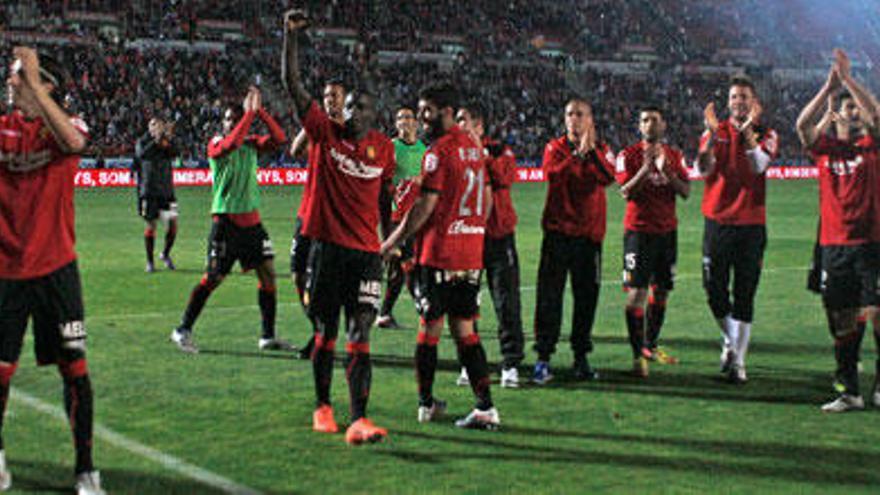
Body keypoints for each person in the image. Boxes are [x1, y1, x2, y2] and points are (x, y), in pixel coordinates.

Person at [284, 9, 394, 444]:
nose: (353, 113)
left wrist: (391, 240)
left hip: (366, 255)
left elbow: (384, 197)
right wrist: (290, 38)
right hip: (327, 249)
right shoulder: (324, 132)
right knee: (325, 331)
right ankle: (323, 407)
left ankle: (360, 418)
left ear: (373, 114)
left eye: (362, 108)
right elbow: (294, 87)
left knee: (361, 331)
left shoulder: (382, 149)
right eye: (349, 107)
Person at [0, 46, 105, 495]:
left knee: (75, 371)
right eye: (10, 75)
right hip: (5, 273)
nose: (10, 82)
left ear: (46, 86)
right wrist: (31, 76)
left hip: (57, 270)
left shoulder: (68, 126)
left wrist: (38, 83)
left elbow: (76, 144)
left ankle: (85, 470)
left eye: (20, 75)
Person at [382, 83, 501, 430]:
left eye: (428, 111)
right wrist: (473, 227)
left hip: (439, 254)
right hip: (470, 254)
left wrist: (392, 240)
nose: (422, 118)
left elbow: (424, 206)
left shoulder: (439, 151)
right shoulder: (475, 150)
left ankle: (426, 404)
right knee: (465, 330)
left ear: (448, 112)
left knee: (429, 329)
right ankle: (485, 407)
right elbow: (488, 201)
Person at [170, 86, 292, 353]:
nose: (232, 123)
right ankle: (182, 329)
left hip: (253, 225)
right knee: (213, 278)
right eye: (228, 119)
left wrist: (260, 113)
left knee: (269, 276)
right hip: (226, 225)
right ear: (222, 123)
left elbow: (280, 138)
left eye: (235, 119)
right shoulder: (216, 144)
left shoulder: (251, 144)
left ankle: (267, 335)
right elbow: (231, 143)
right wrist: (248, 116)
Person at [795, 49, 880, 412]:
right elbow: (802, 127)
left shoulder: (873, 146)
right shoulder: (826, 149)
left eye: (856, 110)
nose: (855, 115)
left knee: (877, 315)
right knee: (841, 319)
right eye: (848, 110)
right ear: (836, 116)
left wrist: (848, 81)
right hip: (833, 245)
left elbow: (876, 114)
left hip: (872, 243)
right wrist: (828, 88)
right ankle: (850, 390)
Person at [696, 75, 778, 384]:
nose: (738, 102)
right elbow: (702, 170)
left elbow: (759, 165)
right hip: (717, 222)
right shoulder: (715, 133)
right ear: (728, 102)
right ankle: (731, 341)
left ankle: (738, 362)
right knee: (714, 292)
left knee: (745, 295)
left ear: (754, 103)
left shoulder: (766, 133)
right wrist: (709, 140)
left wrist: (746, 134)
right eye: (733, 97)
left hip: (751, 225)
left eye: (744, 97)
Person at [532, 97, 616, 385]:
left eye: (580, 114)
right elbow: (553, 176)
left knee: (586, 301)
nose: (574, 119)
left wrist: (589, 154)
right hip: (557, 235)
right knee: (549, 298)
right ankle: (543, 358)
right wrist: (577, 157)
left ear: (590, 120)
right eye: (570, 114)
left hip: (588, 238)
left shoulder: (602, 150)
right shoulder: (554, 148)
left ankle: (581, 357)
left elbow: (608, 178)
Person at [615, 105, 690, 377]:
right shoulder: (628, 156)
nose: (649, 124)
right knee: (636, 294)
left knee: (661, 291)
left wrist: (667, 171)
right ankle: (638, 357)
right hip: (638, 234)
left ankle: (650, 345)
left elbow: (686, 191)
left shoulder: (675, 155)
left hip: (667, 234)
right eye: (644, 119)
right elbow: (625, 191)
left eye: (654, 120)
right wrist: (647, 168)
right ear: (639, 126)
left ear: (663, 125)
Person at [454, 102, 524, 388]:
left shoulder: (498, 150)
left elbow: (504, 177)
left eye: (464, 120)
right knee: (465, 304)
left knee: (506, 302)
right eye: (457, 120)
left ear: (479, 126)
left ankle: (510, 364)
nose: (459, 125)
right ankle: (469, 363)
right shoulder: (451, 153)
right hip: (466, 237)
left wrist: (480, 154)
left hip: (497, 237)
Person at [289, 79, 347, 359]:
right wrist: (311, 122)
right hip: (306, 214)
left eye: (335, 95)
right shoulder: (317, 127)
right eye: (326, 96)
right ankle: (318, 330)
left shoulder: (349, 130)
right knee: (298, 276)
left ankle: (324, 336)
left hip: (329, 221)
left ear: (344, 99)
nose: (329, 100)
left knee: (324, 284)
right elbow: (294, 150)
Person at [376, 106, 427, 329]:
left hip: (417, 217)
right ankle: (422, 307)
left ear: (416, 123)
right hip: (396, 217)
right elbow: (381, 187)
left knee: (401, 268)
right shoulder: (390, 147)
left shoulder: (424, 150)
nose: (404, 121)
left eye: (408, 117)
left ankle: (385, 313)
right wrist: (385, 229)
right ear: (396, 124)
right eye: (399, 118)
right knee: (406, 265)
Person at [133, 115, 179, 273]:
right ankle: (150, 262)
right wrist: (157, 140)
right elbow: (143, 155)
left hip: (167, 191)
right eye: (153, 125)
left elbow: (176, 152)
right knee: (151, 225)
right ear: (149, 128)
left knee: (173, 225)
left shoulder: (166, 142)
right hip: (149, 191)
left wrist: (168, 139)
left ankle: (165, 254)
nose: (156, 127)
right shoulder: (143, 142)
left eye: (159, 125)